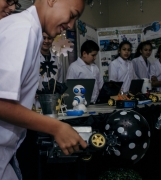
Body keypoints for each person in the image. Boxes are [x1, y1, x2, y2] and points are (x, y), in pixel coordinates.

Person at [0, 0, 87, 179]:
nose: (70, 25)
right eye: (72, 15)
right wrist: (57, 127)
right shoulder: (23, 30)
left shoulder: (28, 29)